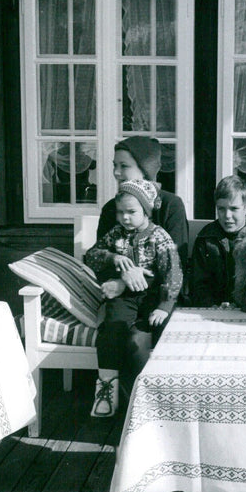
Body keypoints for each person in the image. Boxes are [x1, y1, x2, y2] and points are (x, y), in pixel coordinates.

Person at [84, 178, 183, 418]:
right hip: (125, 297)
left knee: (139, 339)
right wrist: (111, 258)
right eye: (120, 212)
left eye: (131, 212)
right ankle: (106, 390)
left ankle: (144, 400)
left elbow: (173, 271)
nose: (125, 218)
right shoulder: (116, 235)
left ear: (146, 211)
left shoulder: (159, 237)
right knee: (111, 331)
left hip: (151, 297)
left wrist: (164, 305)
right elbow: (91, 256)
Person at [96, 136, 188, 274]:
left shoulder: (171, 205)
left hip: (157, 290)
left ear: (145, 170)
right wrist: (121, 276)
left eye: (124, 166)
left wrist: (132, 281)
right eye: (115, 165)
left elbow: (176, 263)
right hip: (115, 289)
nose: (116, 172)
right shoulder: (111, 207)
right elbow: (100, 258)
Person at [189, 175, 246, 307]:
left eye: (234, 209)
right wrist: (212, 304)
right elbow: (198, 283)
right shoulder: (205, 239)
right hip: (214, 308)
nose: (227, 216)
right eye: (221, 209)